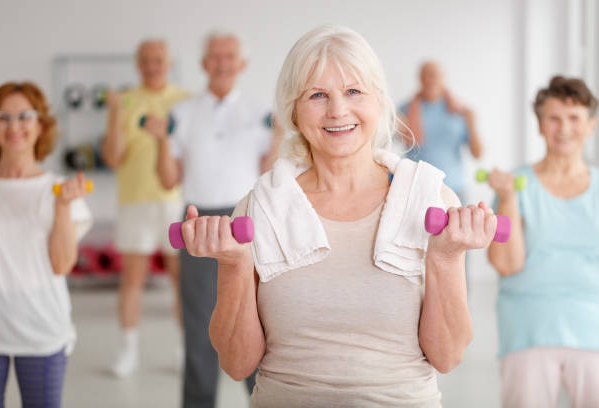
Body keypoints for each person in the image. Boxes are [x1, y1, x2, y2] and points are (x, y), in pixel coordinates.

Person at [175, 25, 498, 407]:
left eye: (353, 91)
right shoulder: (261, 206)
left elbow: (447, 357)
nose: (337, 110)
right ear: (293, 111)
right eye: (317, 95)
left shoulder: (429, 198)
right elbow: (237, 362)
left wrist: (445, 257)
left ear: (378, 101)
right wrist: (233, 264)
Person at [147, 30, 277, 407]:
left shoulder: (261, 114)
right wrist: (159, 140)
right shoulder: (182, 113)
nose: (222, 62)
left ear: (242, 64)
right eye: (215, 56)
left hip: (246, 221)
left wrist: (282, 135)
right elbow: (169, 178)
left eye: (230, 55)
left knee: (254, 315)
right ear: (205, 64)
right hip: (197, 220)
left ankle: (262, 399)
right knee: (198, 320)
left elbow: (268, 173)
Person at [487, 76, 599, 408]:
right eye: (554, 118)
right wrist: (507, 199)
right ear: (539, 125)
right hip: (529, 328)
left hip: (593, 328)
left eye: (574, 118)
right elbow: (507, 264)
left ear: (590, 125)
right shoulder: (515, 185)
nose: (564, 128)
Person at [0, 82, 92, 407]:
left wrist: (61, 207)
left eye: (24, 117)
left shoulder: (61, 190)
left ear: (41, 125)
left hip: (42, 328)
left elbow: (61, 265)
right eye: (2, 117)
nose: (13, 127)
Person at [101, 39, 190, 377]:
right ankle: (128, 352)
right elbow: (112, 158)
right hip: (134, 200)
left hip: (175, 201)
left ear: (168, 63)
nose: (152, 66)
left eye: (158, 60)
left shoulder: (184, 101)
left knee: (181, 281)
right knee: (132, 280)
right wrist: (113, 113)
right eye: (145, 61)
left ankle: (184, 350)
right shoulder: (125, 101)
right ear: (138, 65)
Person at [399, 61, 482, 203]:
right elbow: (389, 142)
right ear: (420, 79)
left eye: (435, 75)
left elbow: (477, 153)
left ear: (443, 78)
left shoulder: (460, 111)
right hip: (418, 189)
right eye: (426, 75)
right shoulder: (405, 110)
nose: (430, 80)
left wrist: (472, 123)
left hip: (455, 188)